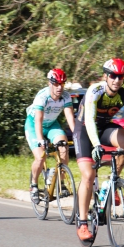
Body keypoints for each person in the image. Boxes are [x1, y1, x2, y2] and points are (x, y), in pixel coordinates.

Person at [73, 58, 124, 241]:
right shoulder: (95, 91)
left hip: (104, 128)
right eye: (113, 76)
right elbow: (89, 120)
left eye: (120, 77)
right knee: (88, 176)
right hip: (84, 130)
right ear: (106, 76)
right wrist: (96, 144)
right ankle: (82, 224)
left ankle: (113, 184)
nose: (116, 80)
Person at [25, 69, 76, 203]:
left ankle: (62, 183)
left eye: (62, 84)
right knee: (40, 157)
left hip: (52, 125)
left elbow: (70, 118)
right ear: (50, 83)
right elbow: (38, 121)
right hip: (34, 125)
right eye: (56, 84)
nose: (60, 87)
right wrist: (41, 140)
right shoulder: (42, 96)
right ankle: (34, 185)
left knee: (63, 148)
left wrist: (77, 136)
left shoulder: (65, 96)